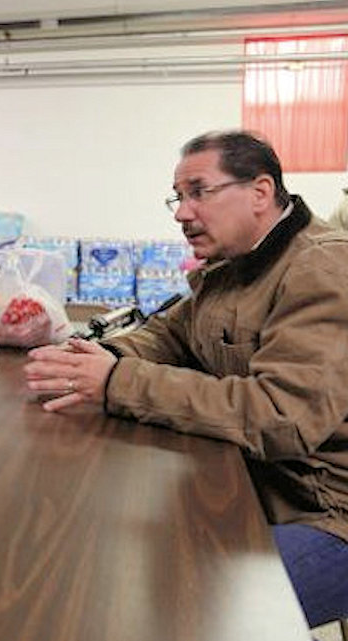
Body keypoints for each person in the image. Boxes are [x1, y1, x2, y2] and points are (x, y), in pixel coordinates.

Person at [23, 130, 348, 629]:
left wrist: (118, 382)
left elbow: (280, 417)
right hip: (257, 481)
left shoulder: (320, 267)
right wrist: (90, 359)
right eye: (179, 197)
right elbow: (166, 336)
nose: (181, 213)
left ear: (261, 193)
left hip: (324, 512)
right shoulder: (235, 265)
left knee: (184, 602)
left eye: (200, 192)